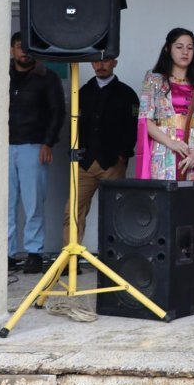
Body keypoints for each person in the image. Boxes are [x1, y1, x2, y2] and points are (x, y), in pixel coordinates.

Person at [62, 58, 139, 246]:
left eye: (105, 61)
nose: (100, 65)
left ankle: (115, 259)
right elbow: (73, 126)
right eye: (96, 61)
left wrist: (123, 154)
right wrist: (76, 153)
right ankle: (70, 256)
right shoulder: (83, 93)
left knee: (116, 212)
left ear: (115, 63)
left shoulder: (127, 94)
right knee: (72, 211)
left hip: (112, 163)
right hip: (85, 163)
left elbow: (134, 127)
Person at [8, 32, 65, 273]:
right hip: (3, 147)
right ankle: (7, 253)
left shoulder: (46, 77)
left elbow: (57, 111)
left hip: (34, 146)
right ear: (12, 50)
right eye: (19, 47)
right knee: (5, 204)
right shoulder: (2, 75)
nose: (24, 52)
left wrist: (47, 143)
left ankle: (34, 252)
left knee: (33, 205)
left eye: (28, 47)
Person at [135, 28, 194, 181]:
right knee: (164, 201)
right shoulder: (153, 80)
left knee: (192, 200)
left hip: (192, 151)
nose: (185, 52)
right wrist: (171, 143)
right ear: (168, 49)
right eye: (179, 47)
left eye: (190, 47)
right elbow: (145, 120)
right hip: (163, 149)